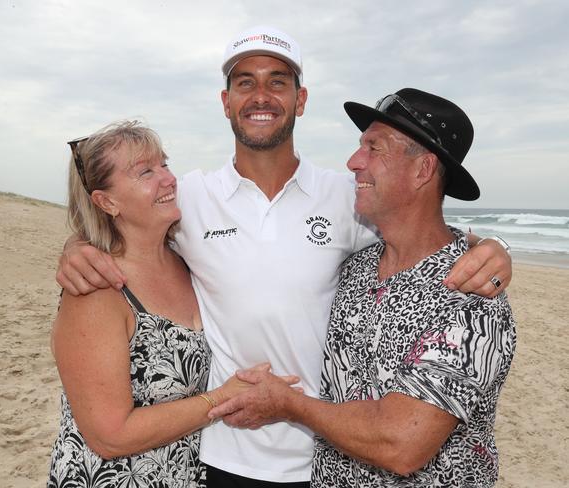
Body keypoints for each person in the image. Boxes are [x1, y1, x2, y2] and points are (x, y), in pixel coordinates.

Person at [55, 28, 513, 487]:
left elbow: (418, 232)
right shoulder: (188, 198)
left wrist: (493, 248)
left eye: (277, 82)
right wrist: (76, 248)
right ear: (225, 101)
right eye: (245, 82)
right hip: (221, 452)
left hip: (320, 459)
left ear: (300, 99)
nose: (261, 96)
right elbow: (121, 225)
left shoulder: (346, 197)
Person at [210, 89, 516, 487]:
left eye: (374, 148)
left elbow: (401, 444)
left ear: (423, 170)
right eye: (360, 147)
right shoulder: (358, 267)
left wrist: (288, 404)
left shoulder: (470, 299)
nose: (354, 162)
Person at [46, 120, 289, 487]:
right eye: (145, 172)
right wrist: (221, 399)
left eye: (165, 164)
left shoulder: (186, 260)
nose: (168, 179)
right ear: (107, 201)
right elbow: (109, 435)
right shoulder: (98, 288)